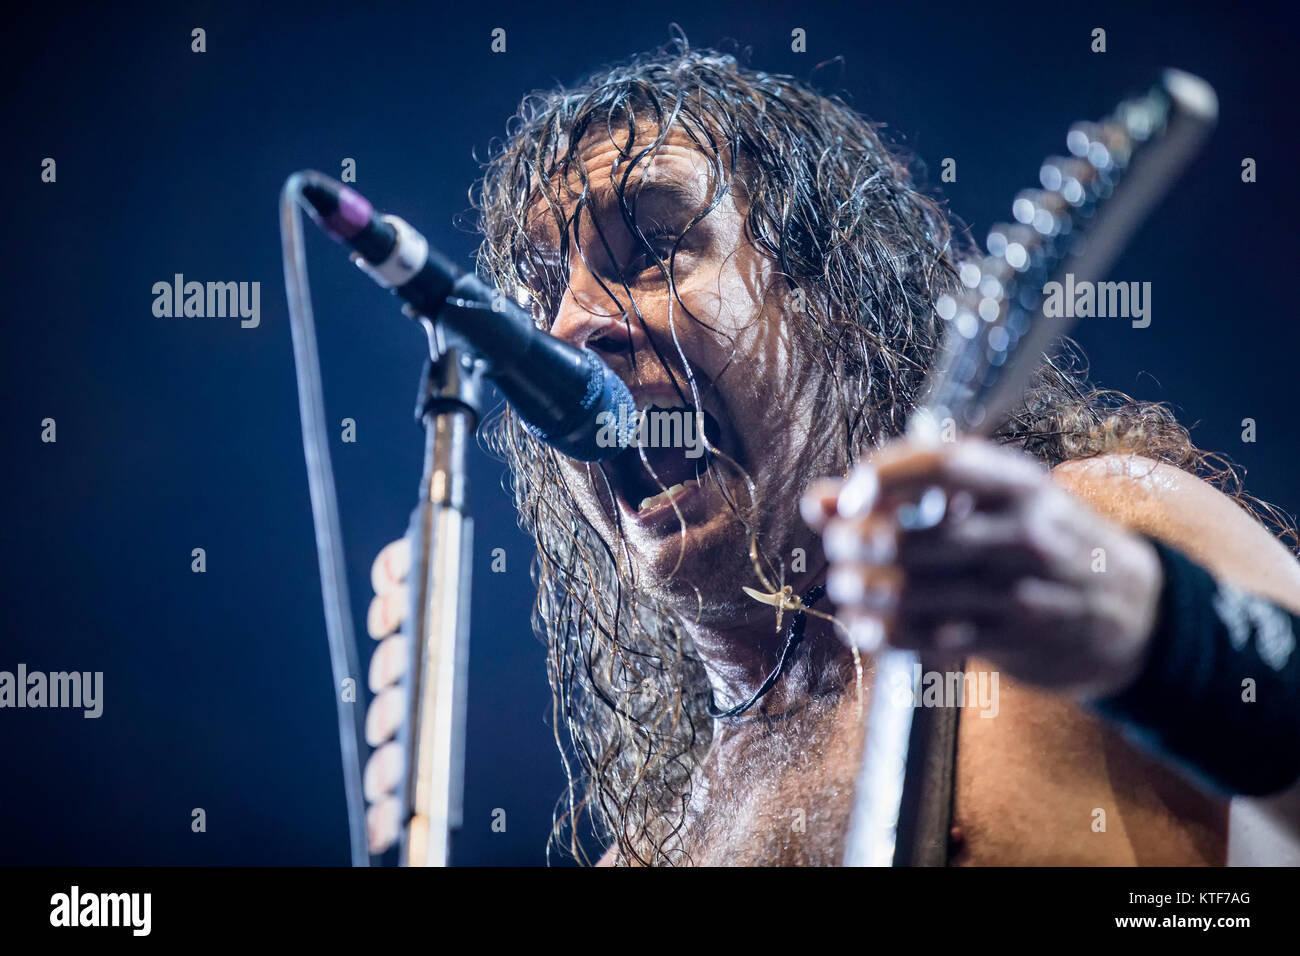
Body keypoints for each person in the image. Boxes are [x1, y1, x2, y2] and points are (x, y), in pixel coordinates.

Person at [360, 42, 1300, 865]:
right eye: (537, 298)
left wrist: (1156, 632)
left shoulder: (1107, 531)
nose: (570, 329)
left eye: (650, 243)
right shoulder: (652, 854)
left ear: (831, 304)